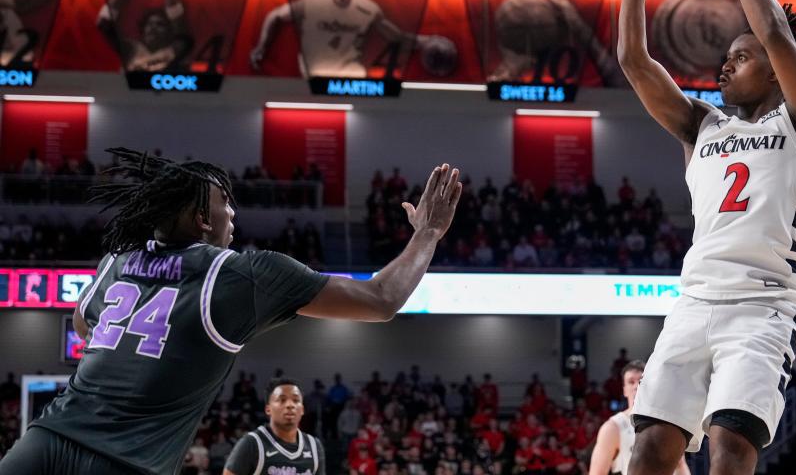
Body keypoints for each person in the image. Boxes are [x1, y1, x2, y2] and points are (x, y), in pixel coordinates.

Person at [0, 149, 461, 474]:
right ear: (204, 219)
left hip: (42, 443)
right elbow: (382, 299)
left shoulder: (116, 262)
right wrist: (428, 234)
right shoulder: (242, 275)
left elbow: (84, 323)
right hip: (126, 461)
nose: (234, 216)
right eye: (226, 203)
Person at [618, 0, 796, 475]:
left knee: (731, 447)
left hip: (764, 305)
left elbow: (772, 30)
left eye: (738, 58)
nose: (725, 64)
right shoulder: (701, 125)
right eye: (724, 57)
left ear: (776, 70)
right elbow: (633, 61)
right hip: (693, 300)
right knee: (648, 452)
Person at [249, 0, 453, 78]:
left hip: (350, 72)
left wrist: (427, 41)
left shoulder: (367, 8)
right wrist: (262, 45)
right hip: (312, 70)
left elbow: (394, 36)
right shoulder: (313, 2)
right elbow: (275, 14)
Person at [590, 361, 688, 475]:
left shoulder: (668, 422)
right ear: (624, 390)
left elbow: (681, 466)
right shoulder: (613, 427)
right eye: (631, 382)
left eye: (641, 381)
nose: (636, 386)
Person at [97, 0, 193, 72]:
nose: (153, 28)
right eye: (149, 24)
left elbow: (179, 24)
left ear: (169, 32)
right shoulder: (132, 49)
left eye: (159, 24)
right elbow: (103, 24)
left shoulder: (174, 50)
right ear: (143, 29)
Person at [224, 377, 324, 475]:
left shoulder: (314, 446)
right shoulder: (251, 443)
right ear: (268, 409)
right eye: (282, 400)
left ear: (302, 409)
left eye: (295, 400)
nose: (290, 405)